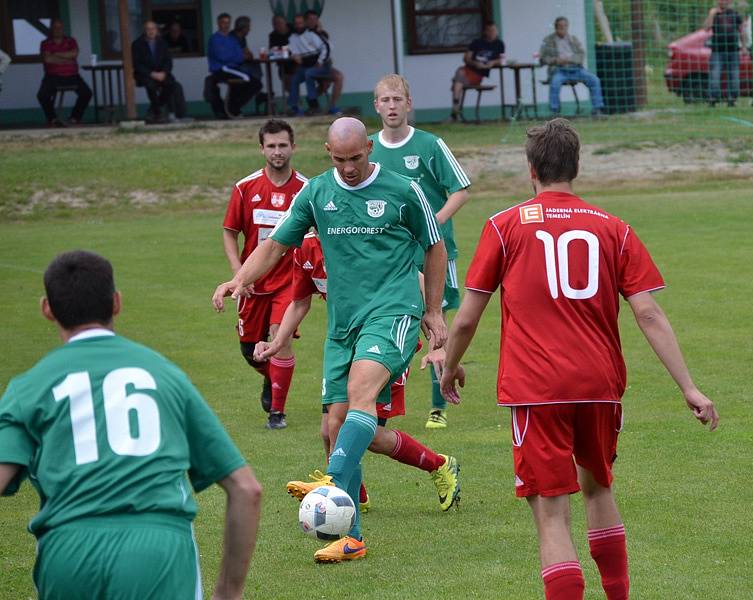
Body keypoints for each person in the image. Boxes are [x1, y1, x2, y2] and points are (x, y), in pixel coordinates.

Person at [438, 119, 719, 600]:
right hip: (599, 384)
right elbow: (648, 312)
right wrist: (689, 387)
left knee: (550, 511)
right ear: (576, 167)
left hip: (535, 389)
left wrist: (449, 366)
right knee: (599, 490)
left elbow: (464, 320)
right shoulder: (614, 228)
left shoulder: (503, 226)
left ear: (531, 169)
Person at [213, 117, 448, 563]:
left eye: (356, 158)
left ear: (370, 150)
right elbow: (276, 244)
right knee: (337, 423)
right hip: (342, 325)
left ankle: (330, 488)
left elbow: (435, 248)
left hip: (393, 311)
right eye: (339, 160)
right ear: (327, 152)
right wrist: (238, 279)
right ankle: (352, 536)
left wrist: (433, 310)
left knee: (360, 396)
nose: (349, 168)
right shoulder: (318, 191)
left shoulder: (402, 190)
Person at [0, 250, 262, 600]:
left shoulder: (28, 387)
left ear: (47, 309)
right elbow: (246, 489)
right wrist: (228, 593)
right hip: (158, 549)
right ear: (117, 303)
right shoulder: (165, 376)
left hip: (68, 550)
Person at [254, 231, 461, 513]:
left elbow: (416, 282)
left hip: (389, 340)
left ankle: (438, 466)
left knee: (369, 434)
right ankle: (350, 497)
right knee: (330, 430)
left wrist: (437, 343)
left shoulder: (362, 235)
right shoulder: (305, 249)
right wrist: (277, 343)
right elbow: (300, 301)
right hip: (346, 343)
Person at [369, 74, 470, 429]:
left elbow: (460, 190)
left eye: (398, 99)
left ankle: (438, 406)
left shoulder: (430, 145)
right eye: (386, 100)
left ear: (409, 104)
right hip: (389, 256)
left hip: (433, 251)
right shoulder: (367, 148)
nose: (392, 106)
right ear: (376, 106)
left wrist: (432, 222)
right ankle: (377, 401)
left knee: (437, 324)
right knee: (388, 323)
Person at [222, 119, 307, 430]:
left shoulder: (306, 190)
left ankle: (277, 413)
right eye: (271, 145)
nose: (277, 151)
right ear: (261, 148)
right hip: (253, 283)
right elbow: (230, 232)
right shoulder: (245, 188)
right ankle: (273, 377)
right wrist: (238, 275)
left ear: (293, 147)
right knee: (251, 350)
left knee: (278, 338)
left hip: (290, 281)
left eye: (283, 145)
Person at [540, 17, 605, 116]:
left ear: (568, 27)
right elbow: (543, 58)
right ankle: (555, 111)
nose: (563, 28)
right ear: (555, 27)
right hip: (559, 70)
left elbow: (581, 55)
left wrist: (569, 59)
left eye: (565, 26)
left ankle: (597, 109)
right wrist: (555, 60)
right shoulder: (548, 40)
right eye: (560, 26)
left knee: (594, 79)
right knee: (555, 83)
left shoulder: (573, 39)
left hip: (576, 69)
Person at [204, 12, 261, 119]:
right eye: (223, 23)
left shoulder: (232, 39)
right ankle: (232, 108)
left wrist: (237, 57)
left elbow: (238, 53)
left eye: (228, 23)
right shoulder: (215, 39)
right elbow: (223, 57)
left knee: (256, 83)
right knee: (248, 80)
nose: (226, 25)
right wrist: (239, 57)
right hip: (222, 69)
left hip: (233, 68)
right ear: (218, 23)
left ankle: (232, 108)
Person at [36, 19, 92, 127]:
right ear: (51, 29)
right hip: (52, 76)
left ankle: (75, 118)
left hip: (72, 75)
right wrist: (67, 58)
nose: (58, 30)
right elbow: (47, 59)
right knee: (42, 95)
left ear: (63, 29)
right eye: (55, 27)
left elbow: (74, 54)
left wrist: (55, 54)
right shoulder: (46, 43)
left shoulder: (71, 41)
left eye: (60, 28)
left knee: (87, 93)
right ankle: (53, 119)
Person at [450, 22, 505, 122]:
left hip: (478, 75)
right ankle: (455, 111)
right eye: (490, 30)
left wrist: (492, 62)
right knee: (459, 75)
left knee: (457, 82)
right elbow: (466, 58)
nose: (493, 32)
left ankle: (455, 110)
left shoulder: (499, 44)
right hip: (469, 70)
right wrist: (475, 63)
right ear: (485, 32)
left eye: (494, 30)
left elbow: (502, 59)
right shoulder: (477, 42)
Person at [132, 20, 182, 123]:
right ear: (144, 31)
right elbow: (137, 64)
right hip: (145, 74)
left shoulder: (162, 43)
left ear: (157, 30)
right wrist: (152, 74)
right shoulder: (137, 44)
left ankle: (153, 110)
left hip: (161, 73)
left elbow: (168, 61)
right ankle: (158, 113)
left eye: (153, 29)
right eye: (148, 29)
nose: (151, 31)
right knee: (151, 85)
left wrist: (164, 73)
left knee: (171, 83)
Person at [286, 13, 331, 115]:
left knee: (308, 74)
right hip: (305, 66)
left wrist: (320, 61)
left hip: (321, 65)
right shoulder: (292, 38)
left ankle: (313, 105)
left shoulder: (313, 34)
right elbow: (293, 51)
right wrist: (294, 56)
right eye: (296, 23)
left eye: (300, 23)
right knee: (295, 79)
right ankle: (293, 106)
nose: (298, 26)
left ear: (305, 23)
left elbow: (327, 47)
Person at [704, 0, 745, 107]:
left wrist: (744, 47)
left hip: (733, 50)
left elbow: (741, 31)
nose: (722, 2)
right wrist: (711, 14)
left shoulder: (735, 14)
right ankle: (713, 98)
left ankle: (732, 99)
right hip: (717, 50)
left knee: (734, 75)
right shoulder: (714, 14)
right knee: (715, 74)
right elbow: (706, 28)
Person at [305, 10, 343, 114]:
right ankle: (329, 106)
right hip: (312, 66)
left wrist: (320, 31)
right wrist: (320, 61)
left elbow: (328, 47)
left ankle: (330, 106)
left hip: (323, 65)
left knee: (326, 84)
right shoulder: (306, 34)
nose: (313, 21)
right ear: (306, 21)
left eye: (315, 19)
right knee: (338, 77)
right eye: (310, 19)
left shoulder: (319, 33)